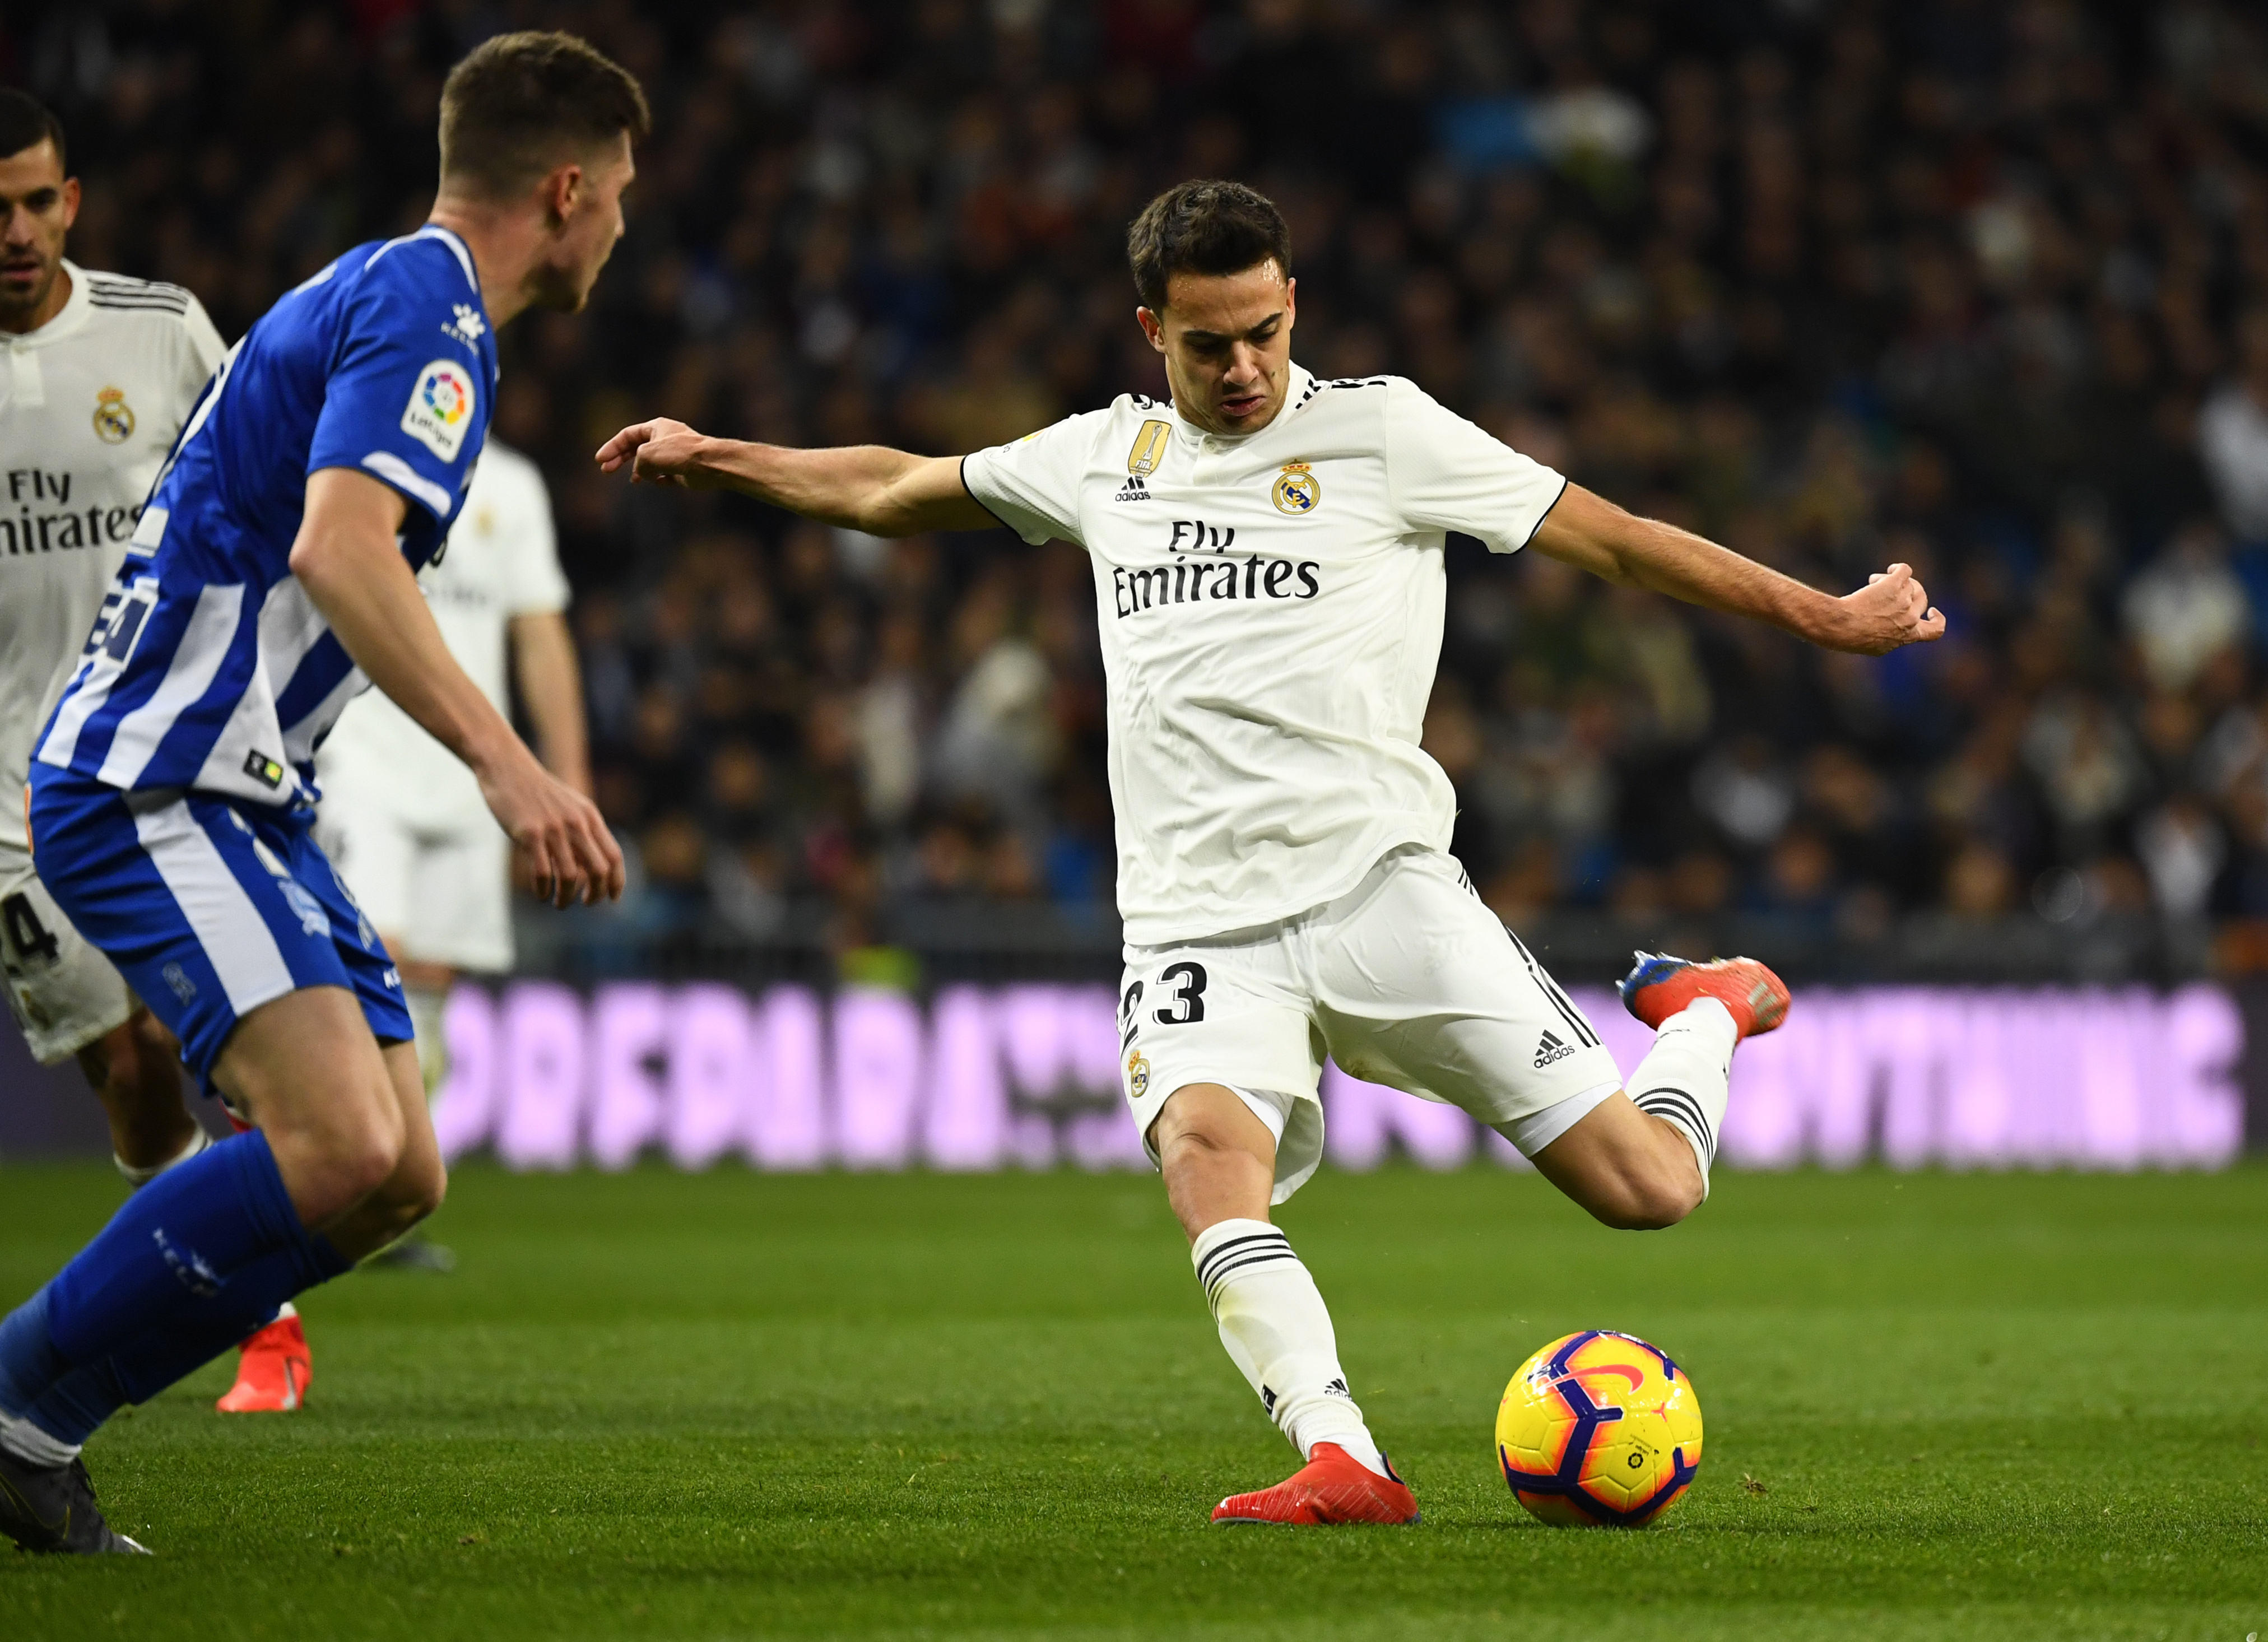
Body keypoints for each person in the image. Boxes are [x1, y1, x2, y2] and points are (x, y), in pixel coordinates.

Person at [598, 179, 1944, 1526]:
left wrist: (1821, 615)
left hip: (1382, 892)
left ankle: (1703, 1014)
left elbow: (1621, 544)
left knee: (1649, 1190)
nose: (1242, 368)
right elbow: (894, 485)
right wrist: (717, 453)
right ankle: (1343, 1453)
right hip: (1195, 927)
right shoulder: (1100, 458)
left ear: (1292, 303)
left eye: (1262, 332)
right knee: (1205, 1159)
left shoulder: (1386, 432)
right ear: (1150, 331)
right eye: (1206, 343)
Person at [0, 32, 638, 1554]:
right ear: (565, 190)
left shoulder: (395, 296)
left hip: (236, 787)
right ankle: (17, 1402)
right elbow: (338, 551)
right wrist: (513, 767)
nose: (623, 224)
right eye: (617, 194)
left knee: (395, 1174)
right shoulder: (428, 308)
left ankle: (36, 1428)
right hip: (160, 778)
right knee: (343, 1146)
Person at [0, 90, 316, 1413]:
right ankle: (190, 1261)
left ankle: (264, 1311)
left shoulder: (163, 328)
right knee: (122, 1065)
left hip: (154, 738)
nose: (14, 230)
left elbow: (264, 480)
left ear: (72, 202)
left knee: (206, 1039)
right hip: (9, 782)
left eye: (33, 201)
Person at [318, 437, 587, 1105]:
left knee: (432, 985)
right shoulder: (358, 457)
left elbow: (539, 633)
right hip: (362, 754)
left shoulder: (513, 484)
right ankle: (345, 1164)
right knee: (370, 966)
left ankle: (404, 1173)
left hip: (473, 776)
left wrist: (568, 774)